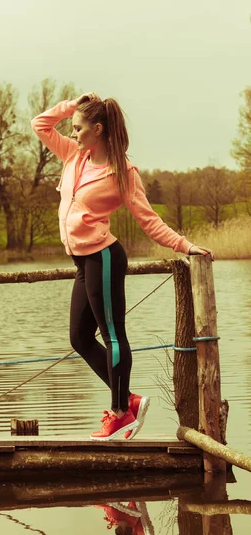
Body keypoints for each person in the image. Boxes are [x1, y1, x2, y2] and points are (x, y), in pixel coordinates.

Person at [30, 92, 214, 441]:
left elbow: (148, 219)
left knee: (113, 334)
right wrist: (74, 104)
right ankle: (128, 399)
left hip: (104, 257)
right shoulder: (74, 156)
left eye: (79, 127)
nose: (73, 133)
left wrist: (185, 245)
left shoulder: (121, 171)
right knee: (80, 337)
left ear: (98, 129)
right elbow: (40, 124)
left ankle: (118, 412)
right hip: (83, 262)